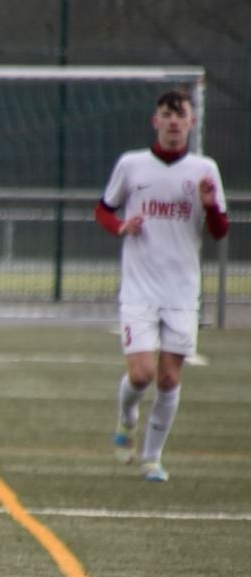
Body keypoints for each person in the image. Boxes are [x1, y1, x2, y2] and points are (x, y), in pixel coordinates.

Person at [96, 88, 228, 483]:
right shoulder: (132, 165)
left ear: (191, 122)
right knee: (141, 375)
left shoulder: (204, 171)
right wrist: (121, 225)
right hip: (139, 289)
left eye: (180, 115)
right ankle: (126, 416)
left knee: (169, 378)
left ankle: (152, 459)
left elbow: (220, 232)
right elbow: (103, 208)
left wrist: (210, 205)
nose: (173, 122)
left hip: (182, 292)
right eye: (167, 115)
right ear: (156, 121)